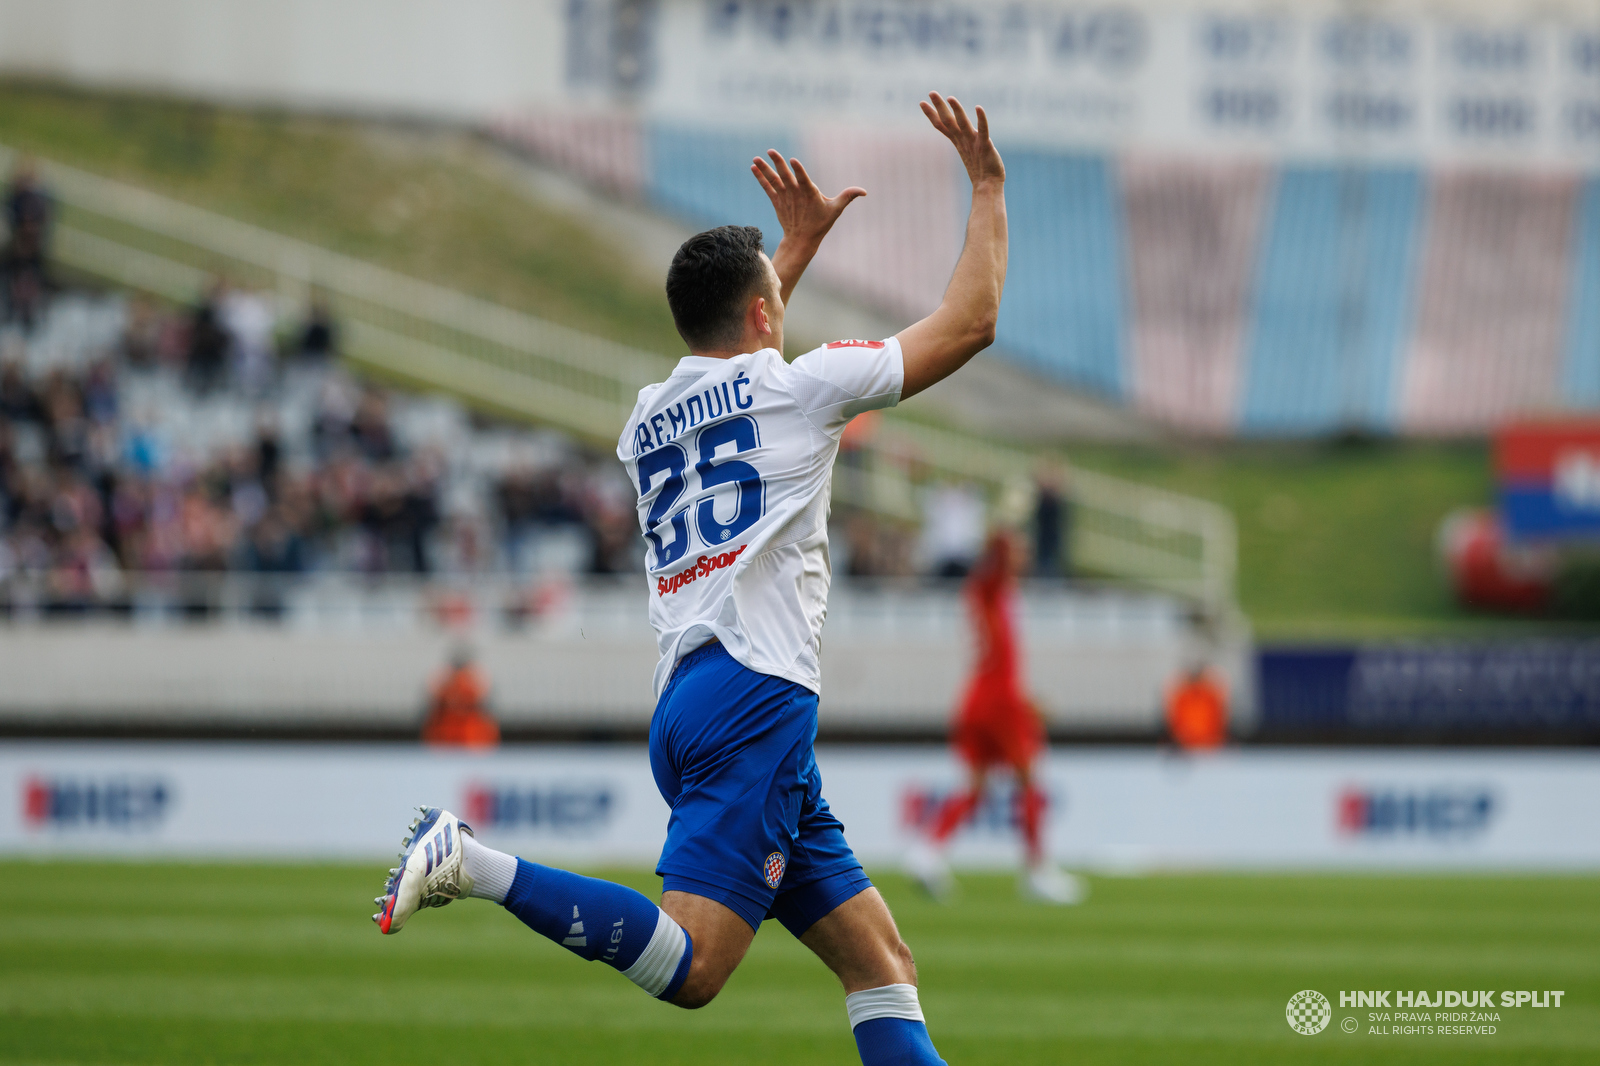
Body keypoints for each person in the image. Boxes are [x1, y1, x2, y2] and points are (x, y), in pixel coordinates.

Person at [373, 92, 1007, 1066]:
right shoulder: (801, 388)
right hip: (755, 693)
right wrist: (987, 182)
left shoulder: (648, 415)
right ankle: (473, 860)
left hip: (691, 698)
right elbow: (969, 323)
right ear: (766, 311)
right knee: (695, 968)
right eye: (776, 299)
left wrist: (784, 257)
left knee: (881, 961)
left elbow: (734, 352)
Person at [904, 532, 1086, 905]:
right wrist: (1000, 539)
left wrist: (1026, 700)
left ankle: (927, 853)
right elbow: (993, 566)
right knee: (1030, 779)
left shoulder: (999, 595)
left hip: (983, 697)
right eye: (1018, 550)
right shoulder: (990, 588)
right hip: (998, 702)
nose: (1024, 556)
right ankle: (1038, 871)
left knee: (976, 786)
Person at [421, 649, 500, 748]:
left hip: (470, 728)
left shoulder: (476, 679)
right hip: (446, 728)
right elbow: (433, 702)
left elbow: (483, 706)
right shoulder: (444, 679)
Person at [1166, 663, 1228, 750]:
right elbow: (1174, 723)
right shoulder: (1182, 698)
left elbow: (1220, 720)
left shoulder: (1211, 697)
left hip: (1211, 747)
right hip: (1185, 747)